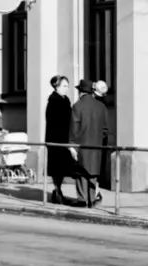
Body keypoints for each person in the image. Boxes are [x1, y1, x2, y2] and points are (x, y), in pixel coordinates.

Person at [70, 79, 109, 207]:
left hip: (81, 145)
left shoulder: (77, 106)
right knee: (93, 172)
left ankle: (82, 199)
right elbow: (105, 129)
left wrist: (72, 145)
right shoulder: (101, 106)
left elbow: (73, 128)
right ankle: (92, 199)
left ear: (80, 92)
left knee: (81, 173)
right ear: (91, 91)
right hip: (97, 145)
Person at [44, 75, 78, 204]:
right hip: (57, 140)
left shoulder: (65, 100)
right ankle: (57, 192)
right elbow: (55, 125)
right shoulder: (53, 102)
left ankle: (57, 192)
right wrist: (67, 144)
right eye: (64, 86)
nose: (67, 88)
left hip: (65, 139)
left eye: (67, 86)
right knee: (58, 168)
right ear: (56, 87)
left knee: (63, 168)